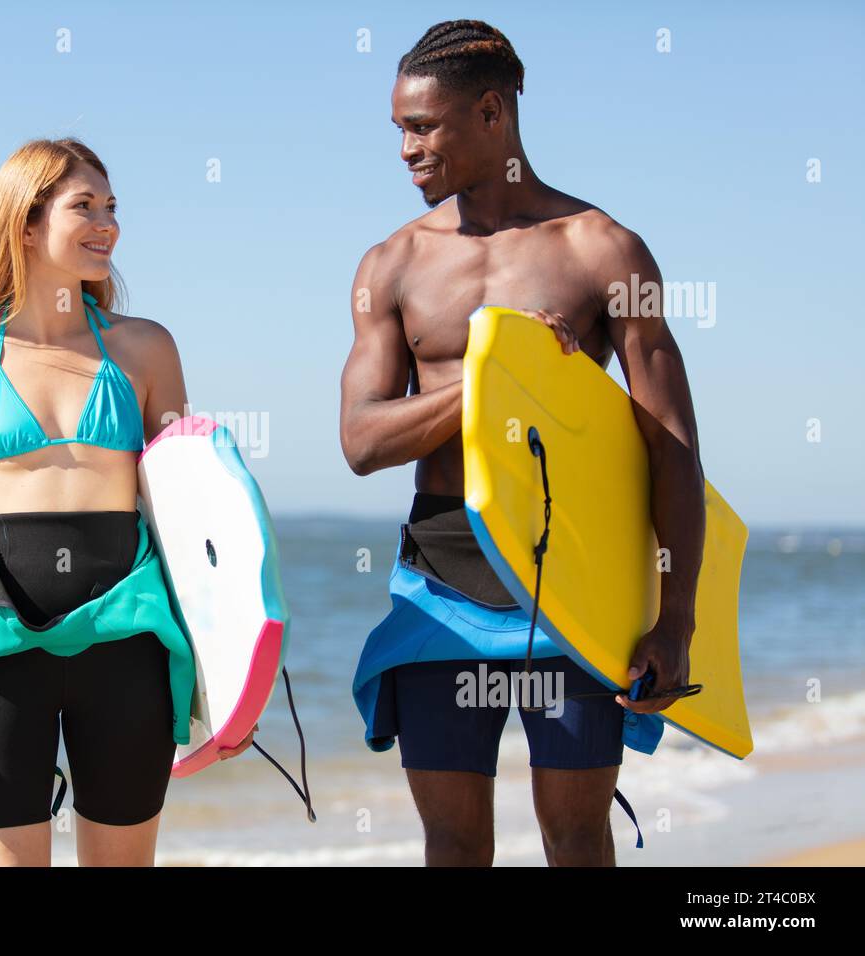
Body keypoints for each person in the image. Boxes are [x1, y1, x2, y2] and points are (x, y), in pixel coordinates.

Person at [340, 20, 706, 866]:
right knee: (455, 842)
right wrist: (491, 385)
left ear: (493, 112)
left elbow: (672, 446)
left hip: (569, 578)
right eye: (399, 128)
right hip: (439, 581)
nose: (405, 149)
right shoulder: (390, 264)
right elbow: (362, 440)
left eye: (422, 127)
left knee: (576, 835)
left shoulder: (602, 250)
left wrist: (673, 616)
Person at [0, 138, 253, 867]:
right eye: (83, 206)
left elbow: (190, 516)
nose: (106, 224)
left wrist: (234, 674)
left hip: (127, 653)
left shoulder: (145, 349)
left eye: (112, 207)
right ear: (25, 223)